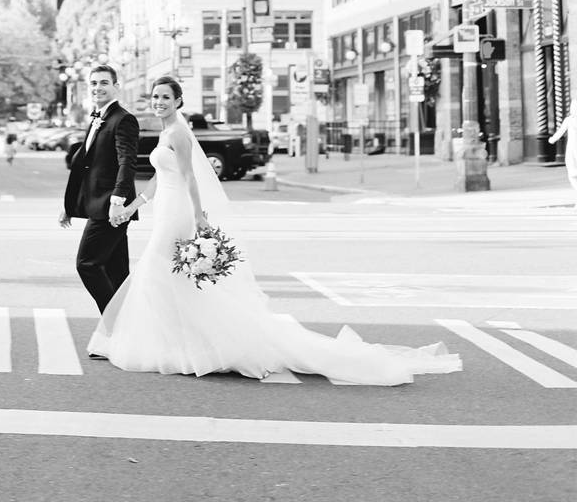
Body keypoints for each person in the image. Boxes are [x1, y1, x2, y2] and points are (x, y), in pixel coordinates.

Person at [87, 76, 462, 385]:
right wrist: (135, 206)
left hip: (179, 213)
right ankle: (180, 341)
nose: (158, 102)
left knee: (155, 271)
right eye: (154, 97)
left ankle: (177, 342)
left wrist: (199, 217)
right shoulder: (166, 131)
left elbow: (188, 176)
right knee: (169, 279)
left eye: (165, 97)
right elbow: (157, 178)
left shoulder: (179, 134)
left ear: (178, 101)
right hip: (165, 208)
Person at [59, 64, 139, 315]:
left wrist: (117, 201)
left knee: (87, 264)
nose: (98, 88)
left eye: (104, 82)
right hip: (99, 204)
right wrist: (69, 207)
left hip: (111, 207)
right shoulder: (97, 118)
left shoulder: (123, 119)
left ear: (116, 86)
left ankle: (115, 323)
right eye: (93, 83)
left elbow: (127, 162)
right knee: (117, 273)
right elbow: (85, 165)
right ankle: (128, 333)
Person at [548, 98, 577, 193]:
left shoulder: (568, 120)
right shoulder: (569, 120)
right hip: (572, 148)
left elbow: (560, 132)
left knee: (572, 172)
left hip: (573, 148)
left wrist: (552, 140)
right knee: (572, 170)